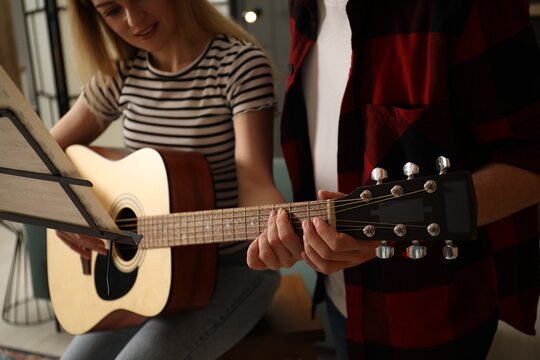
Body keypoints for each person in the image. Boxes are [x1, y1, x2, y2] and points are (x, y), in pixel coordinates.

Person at [247, 0, 540, 359]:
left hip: (430, 315)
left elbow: (530, 156)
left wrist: (389, 227)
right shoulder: (302, 7)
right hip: (340, 301)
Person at [50, 0, 284, 359]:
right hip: (150, 273)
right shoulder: (121, 74)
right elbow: (41, 154)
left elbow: (255, 182)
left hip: (231, 271)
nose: (133, 20)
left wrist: (279, 226)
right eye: (112, 10)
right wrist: (64, 211)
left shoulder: (238, 65)